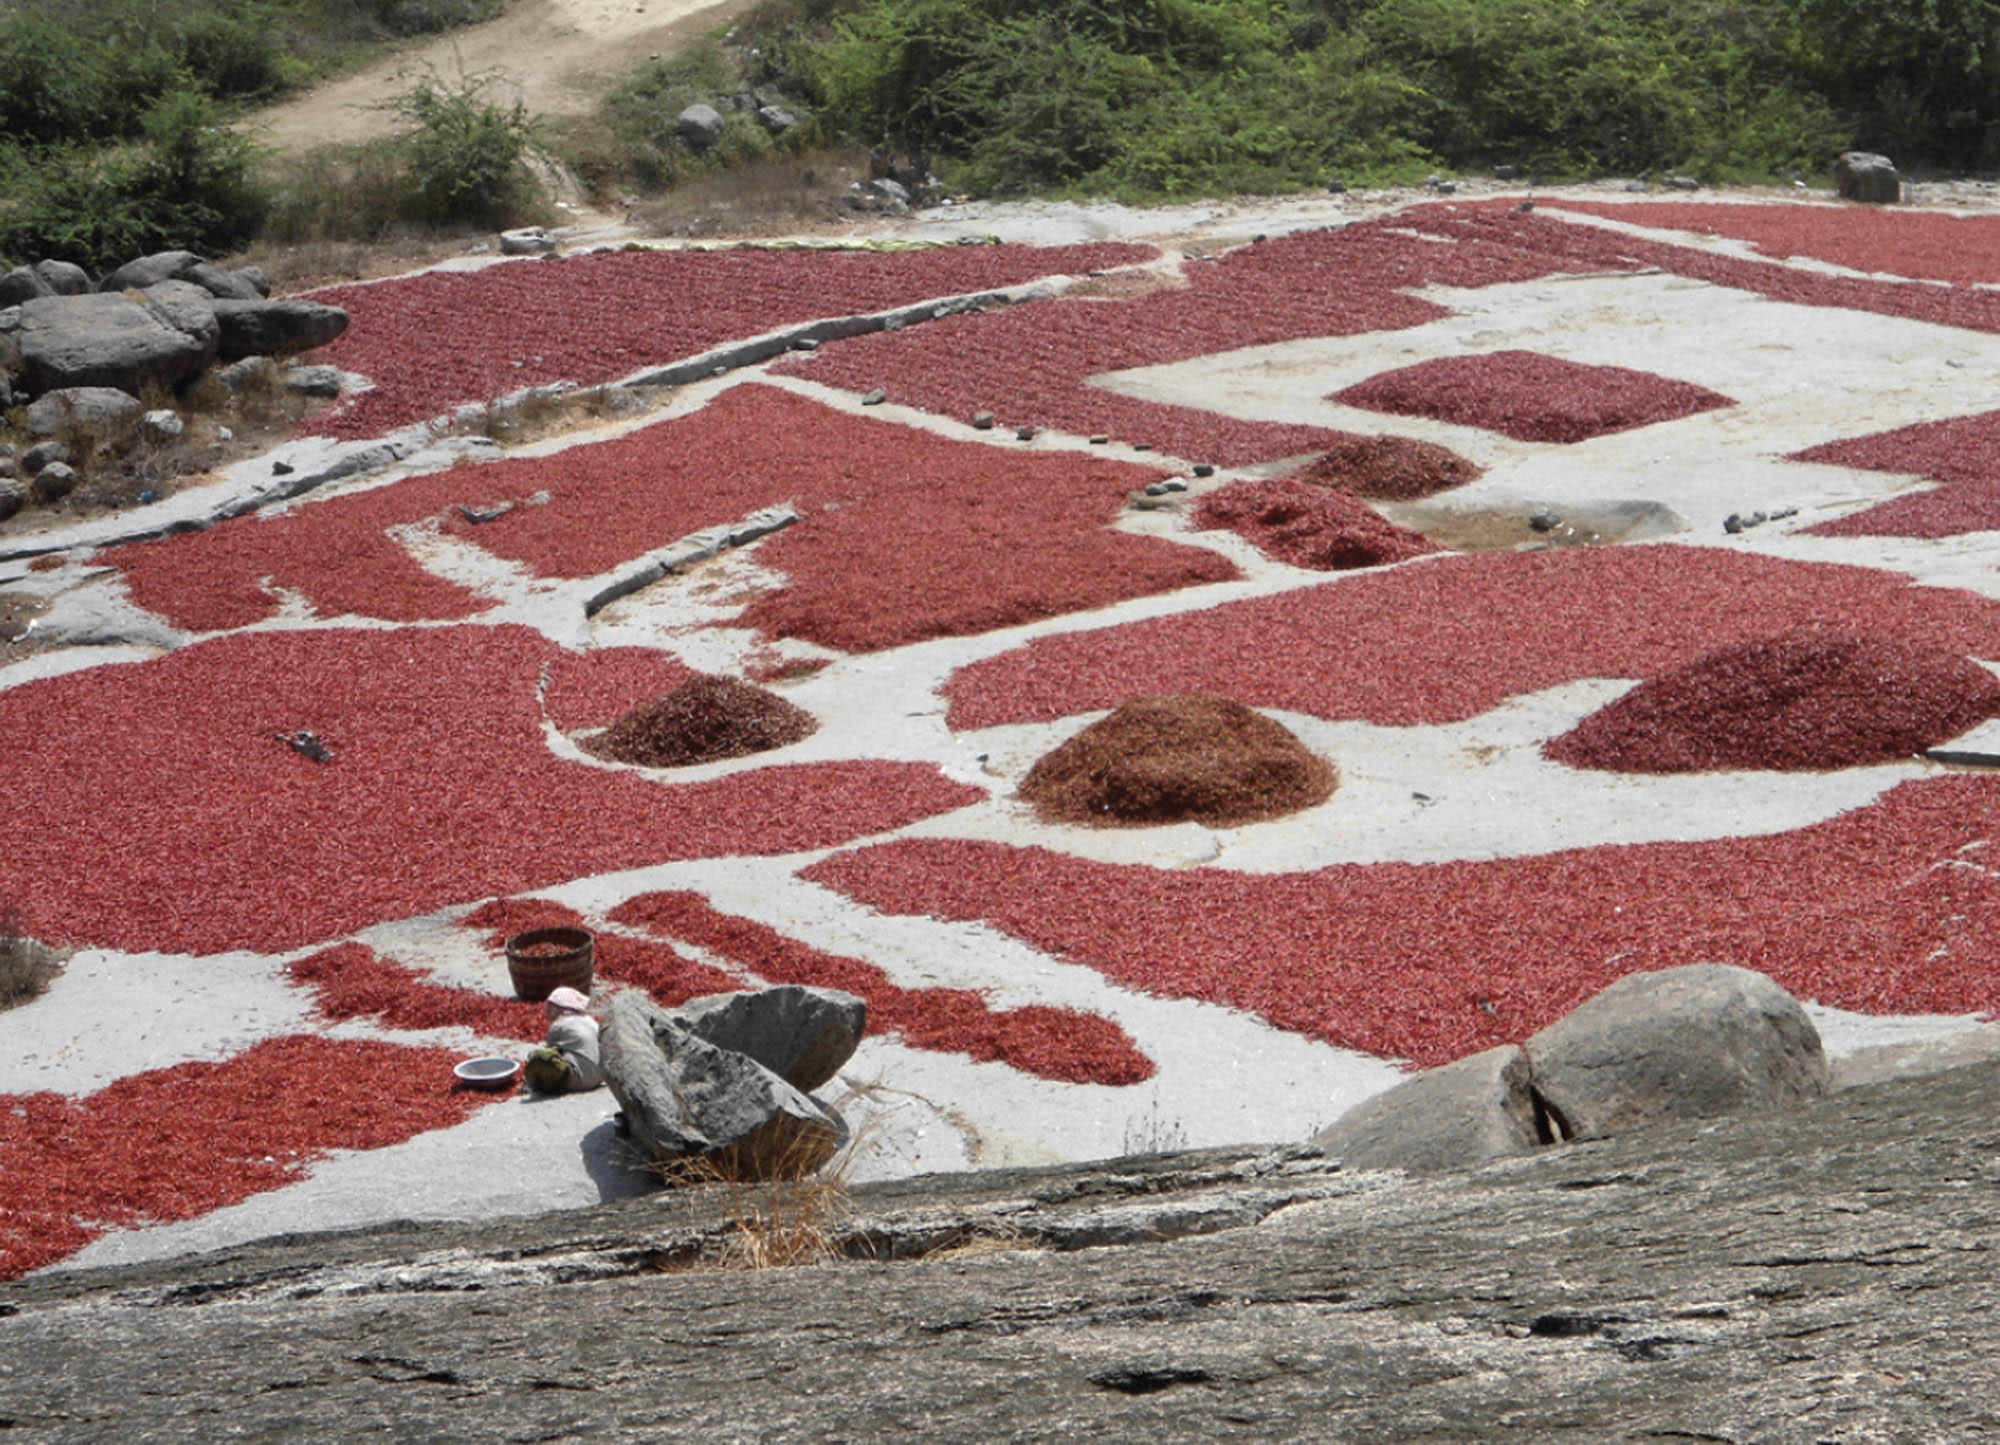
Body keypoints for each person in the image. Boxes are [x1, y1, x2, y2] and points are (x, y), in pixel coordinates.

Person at [523, 986, 604, 1093]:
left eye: (551, 1007)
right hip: (601, 1077)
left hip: (579, 1079)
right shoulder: (591, 1021)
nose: (548, 1012)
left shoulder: (558, 1026)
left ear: (559, 1008)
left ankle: (530, 1085)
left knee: (538, 1057)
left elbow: (550, 1054)